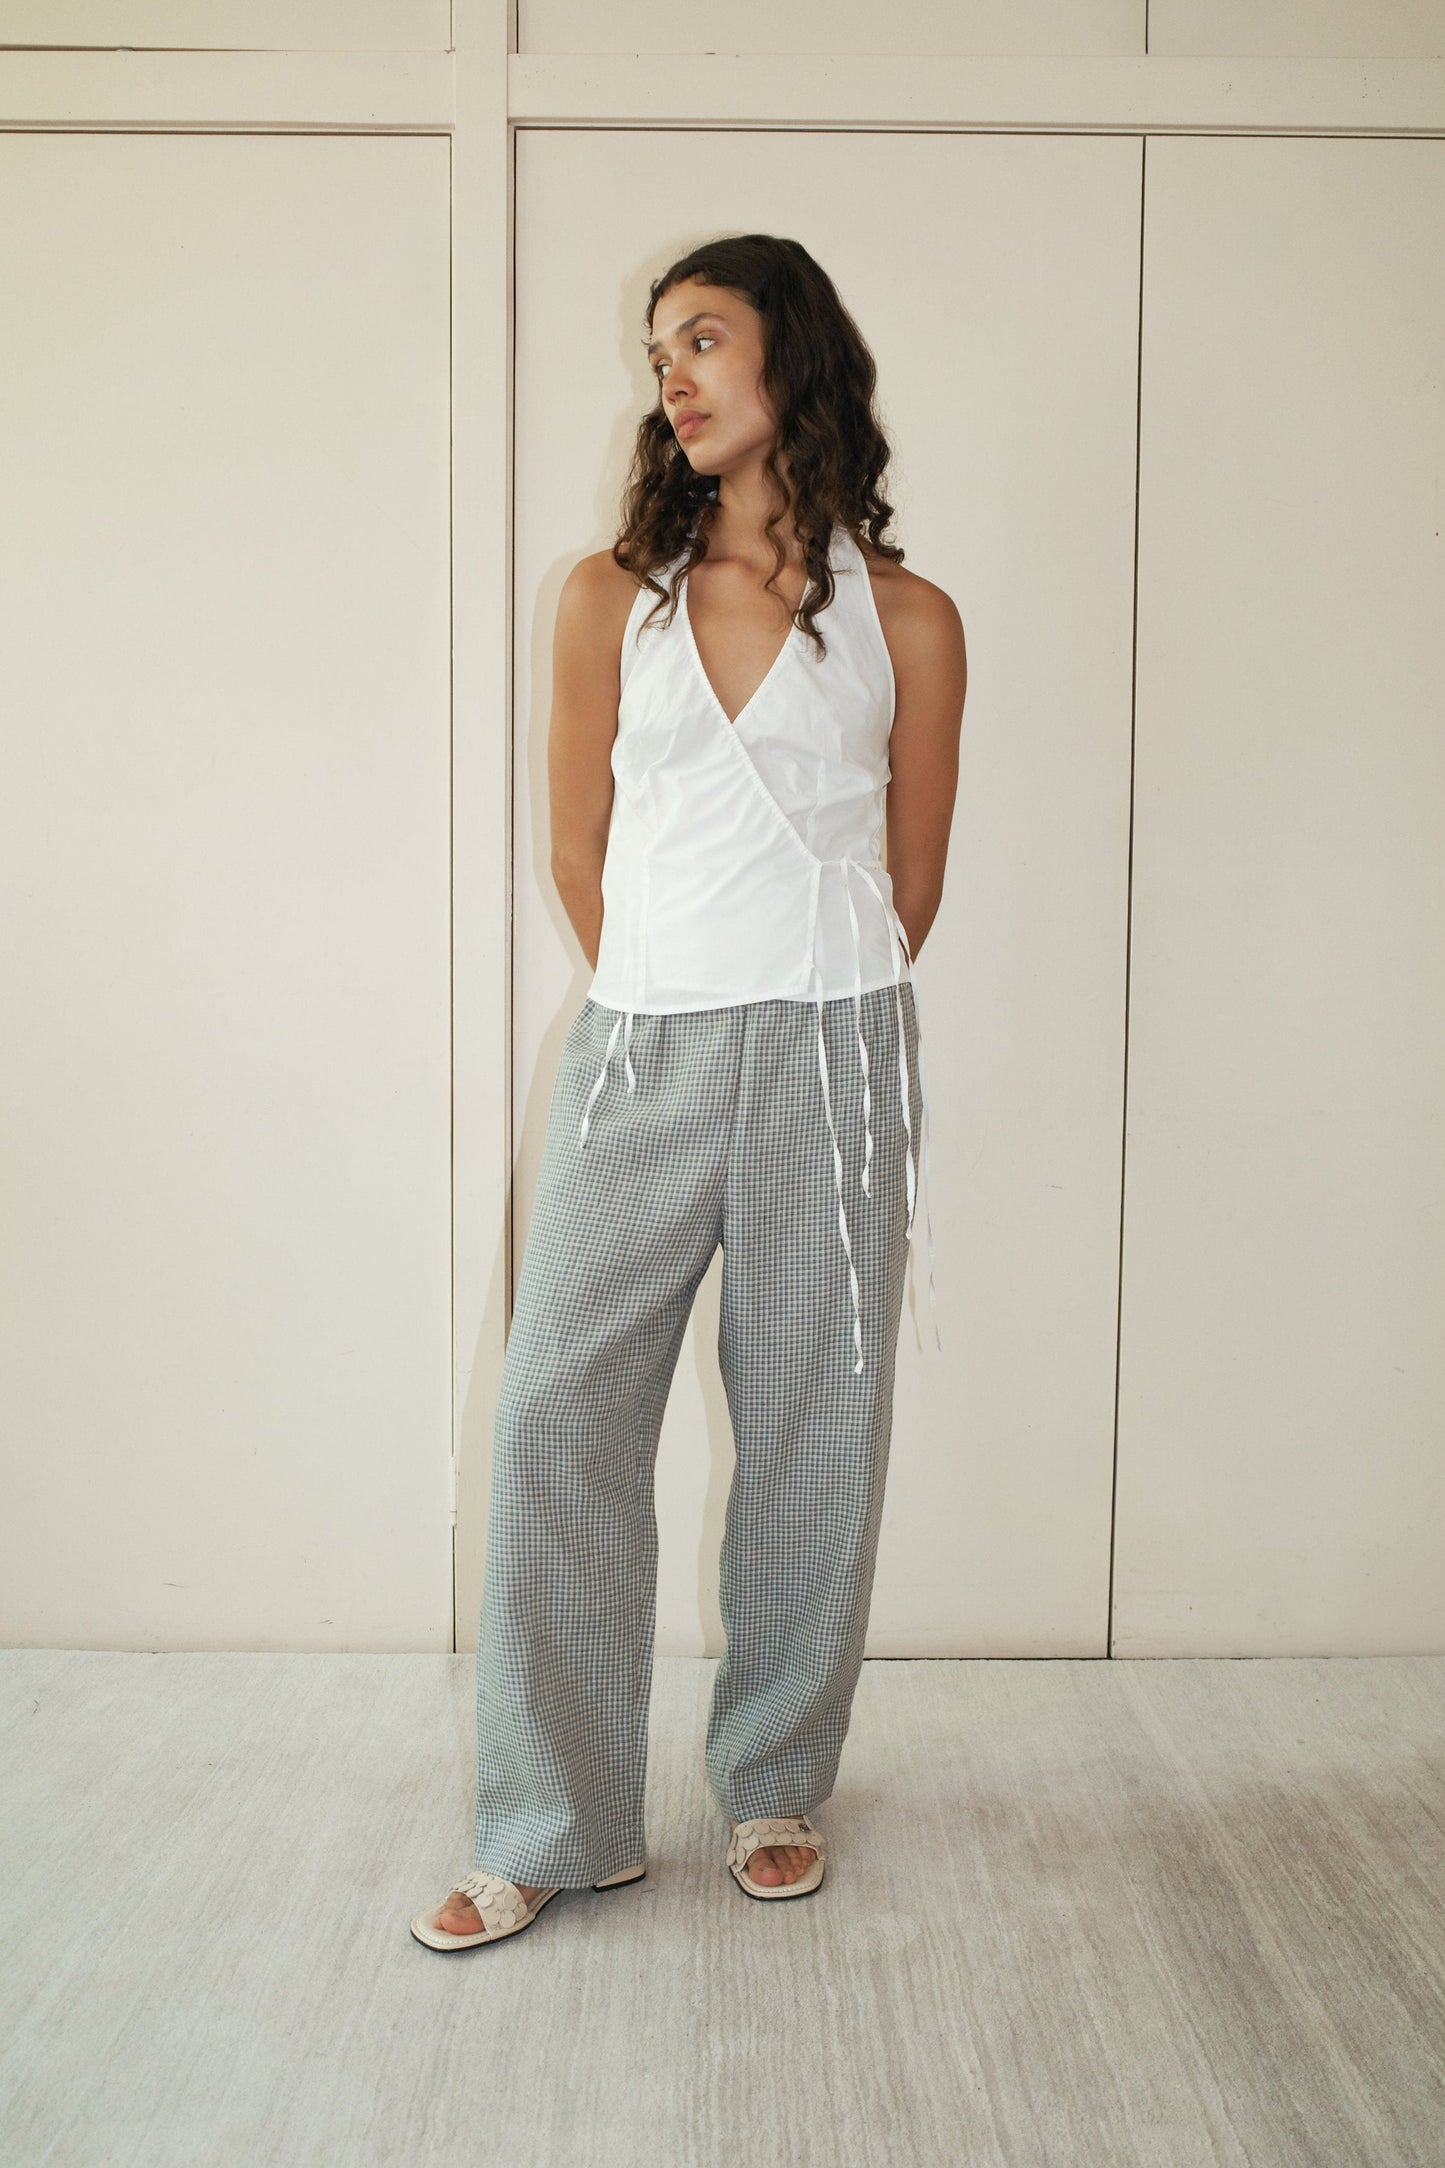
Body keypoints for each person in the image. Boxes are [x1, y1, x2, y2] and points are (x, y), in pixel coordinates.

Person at [412, 233, 966, 1951]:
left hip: (834, 1052)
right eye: (660, 348)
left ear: (790, 356)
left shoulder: (914, 622)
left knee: (816, 1426)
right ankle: (550, 1820)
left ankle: (776, 1778)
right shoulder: (607, 598)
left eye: (704, 338)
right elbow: (579, 853)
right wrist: (665, 984)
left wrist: (807, 1002)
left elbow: (912, 880)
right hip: (636, 1053)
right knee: (555, 1423)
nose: (672, 371)